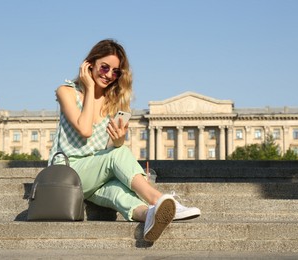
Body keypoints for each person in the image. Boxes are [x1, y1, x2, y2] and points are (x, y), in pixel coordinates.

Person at [49, 39, 200, 242]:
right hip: (67, 173)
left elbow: (111, 149)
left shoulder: (116, 103)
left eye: (116, 72)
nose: (109, 75)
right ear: (90, 64)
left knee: (119, 193)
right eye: (104, 67)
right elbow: (85, 130)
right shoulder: (67, 91)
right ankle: (159, 198)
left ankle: (148, 216)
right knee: (118, 156)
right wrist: (90, 88)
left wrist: (119, 140)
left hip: (95, 176)